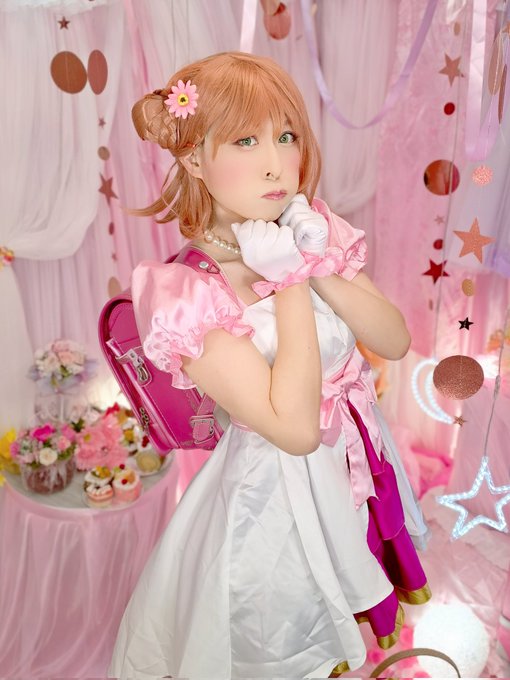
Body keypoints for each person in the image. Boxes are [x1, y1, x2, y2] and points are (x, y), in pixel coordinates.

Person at [109, 51, 430, 679]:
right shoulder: (186, 293)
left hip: (355, 473)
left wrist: (312, 261)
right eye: (245, 141)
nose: (276, 164)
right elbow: (295, 429)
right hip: (275, 510)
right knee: (290, 644)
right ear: (193, 158)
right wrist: (288, 282)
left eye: (286, 137)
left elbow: (393, 339)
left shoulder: (310, 228)